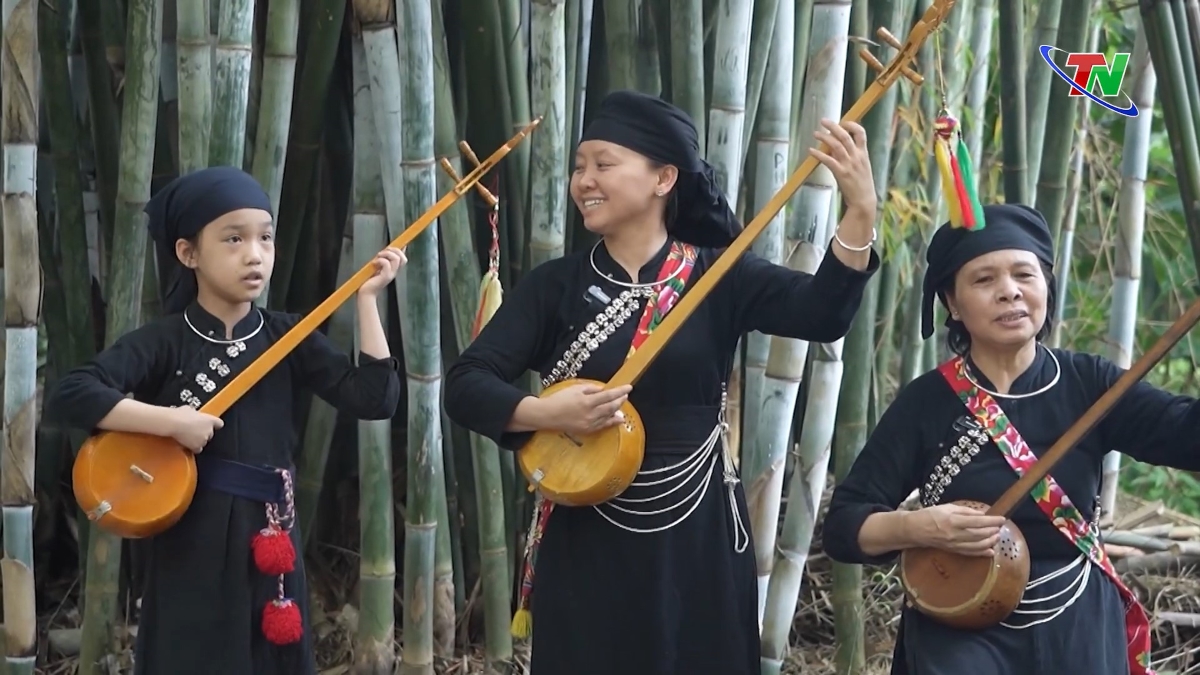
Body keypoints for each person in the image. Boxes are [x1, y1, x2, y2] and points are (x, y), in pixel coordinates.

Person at [443, 89, 881, 675]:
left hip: (696, 527)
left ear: (663, 178)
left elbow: (822, 314)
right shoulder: (555, 287)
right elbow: (466, 383)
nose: (583, 180)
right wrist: (549, 415)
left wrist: (860, 212)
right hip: (588, 526)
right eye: (579, 166)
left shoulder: (719, 274)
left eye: (603, 163)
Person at [46, 166, 405, 675]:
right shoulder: (165, 340)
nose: (254, 254)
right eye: (233, 239)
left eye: (265, 238)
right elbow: (73, 392)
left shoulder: (288, 337)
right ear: (188, 253)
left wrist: (368, 300)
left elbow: (375, 398)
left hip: (269, 535)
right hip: (191, 531)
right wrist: (170, 422)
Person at [821, 203, 1198, 675]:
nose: (1009, 291)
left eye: (1025, 274)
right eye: (984, 280)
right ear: (952, 303)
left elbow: (1188, 437)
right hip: (958, 630)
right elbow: (844, 526)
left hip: (1075, 619)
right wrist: (918, 527)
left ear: (1046, 287)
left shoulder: (1091, 384)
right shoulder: (927, 402)